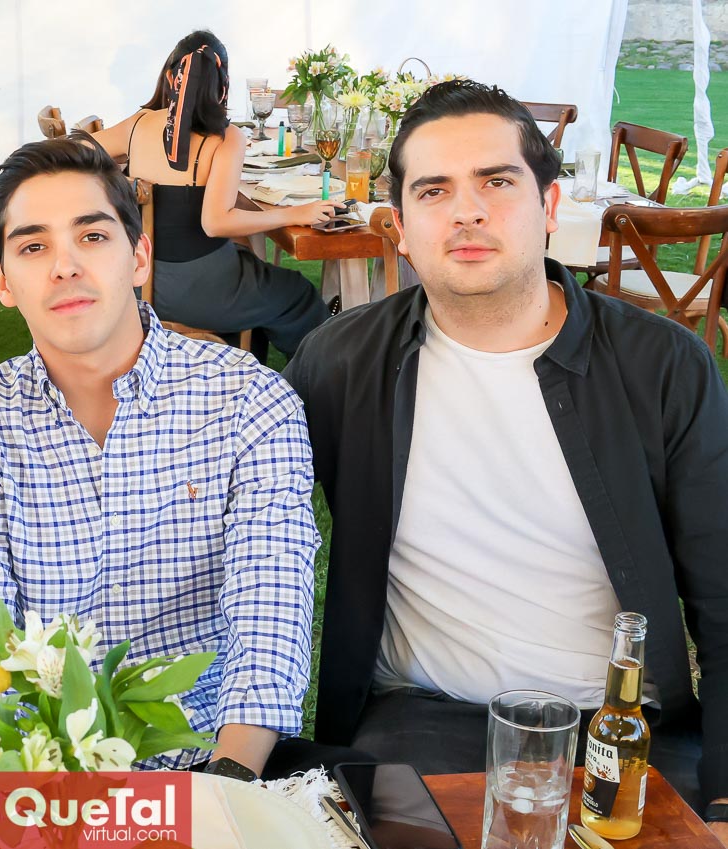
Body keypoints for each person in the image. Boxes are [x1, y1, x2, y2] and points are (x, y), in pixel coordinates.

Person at [284, 79, 728, 837]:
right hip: (421, 721)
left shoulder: (662, 367)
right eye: (434, 190)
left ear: (550, 207)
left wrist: (724, 802)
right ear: (400, 228)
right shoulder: (340, 364)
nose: (467, 211)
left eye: (496, 181)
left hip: (621, 732)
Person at [0, 132, 340, 782]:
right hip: (43, 773)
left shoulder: (249, 400)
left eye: (92, 236)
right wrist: (38, 790)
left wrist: (225, 788)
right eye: (33, 246)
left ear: (140, 257)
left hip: (218, 759)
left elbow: (269, 611)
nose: (65, 266)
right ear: (3, 281)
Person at [93, 30, 342, 359]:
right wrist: (296, 213)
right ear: (222, 85)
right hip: (202, 288)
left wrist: (118, 176)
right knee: (297, 294)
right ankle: (325, 377)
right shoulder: (226, 137)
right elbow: (215, 223)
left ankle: (244, 365)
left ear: (170, 77)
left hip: (138, 281)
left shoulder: (138, 123)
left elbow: (78, 148)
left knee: (253, 270)